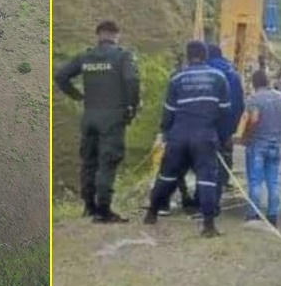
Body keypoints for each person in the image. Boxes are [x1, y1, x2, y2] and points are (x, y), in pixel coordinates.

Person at [54, 20, 140, 223]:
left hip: (90, 116)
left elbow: (61, 76)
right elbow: (132, 81)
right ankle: (103, 210)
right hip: (112, 117)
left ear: (98, 35)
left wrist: (77, 96)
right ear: (116, 35)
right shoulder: (122, 56)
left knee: (89, 162)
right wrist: (131, 107)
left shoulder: (86, 56)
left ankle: (89, 207)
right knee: (107, 162)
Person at [144, 41, 231, 237]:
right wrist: (224, 136)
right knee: (207, 179)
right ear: (206, 55)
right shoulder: (219, 77)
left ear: (187, 56)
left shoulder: (177, 78)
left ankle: (151, 214)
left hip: (179, 135)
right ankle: (208, 226)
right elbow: (226, 111)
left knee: (166, 176)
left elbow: (168, 112)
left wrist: (165, 132)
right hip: (205, 135)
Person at [241, 70, 281, 227]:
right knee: (273, 181)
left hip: (258, 144)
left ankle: (253, 215)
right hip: (276, 143)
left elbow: (254, 119)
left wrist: (245, 136)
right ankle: (272, 215)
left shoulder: (255, 99)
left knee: (255, 181)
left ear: (254, 84)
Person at [207, 44, 244, 198]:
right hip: (228, 122)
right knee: (226, 152)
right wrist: (232, 127)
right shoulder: (233, 74)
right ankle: (223, 182)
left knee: (208, 157)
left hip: (209, 123)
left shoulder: (208, 72)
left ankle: (208, 189)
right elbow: (240, 104)